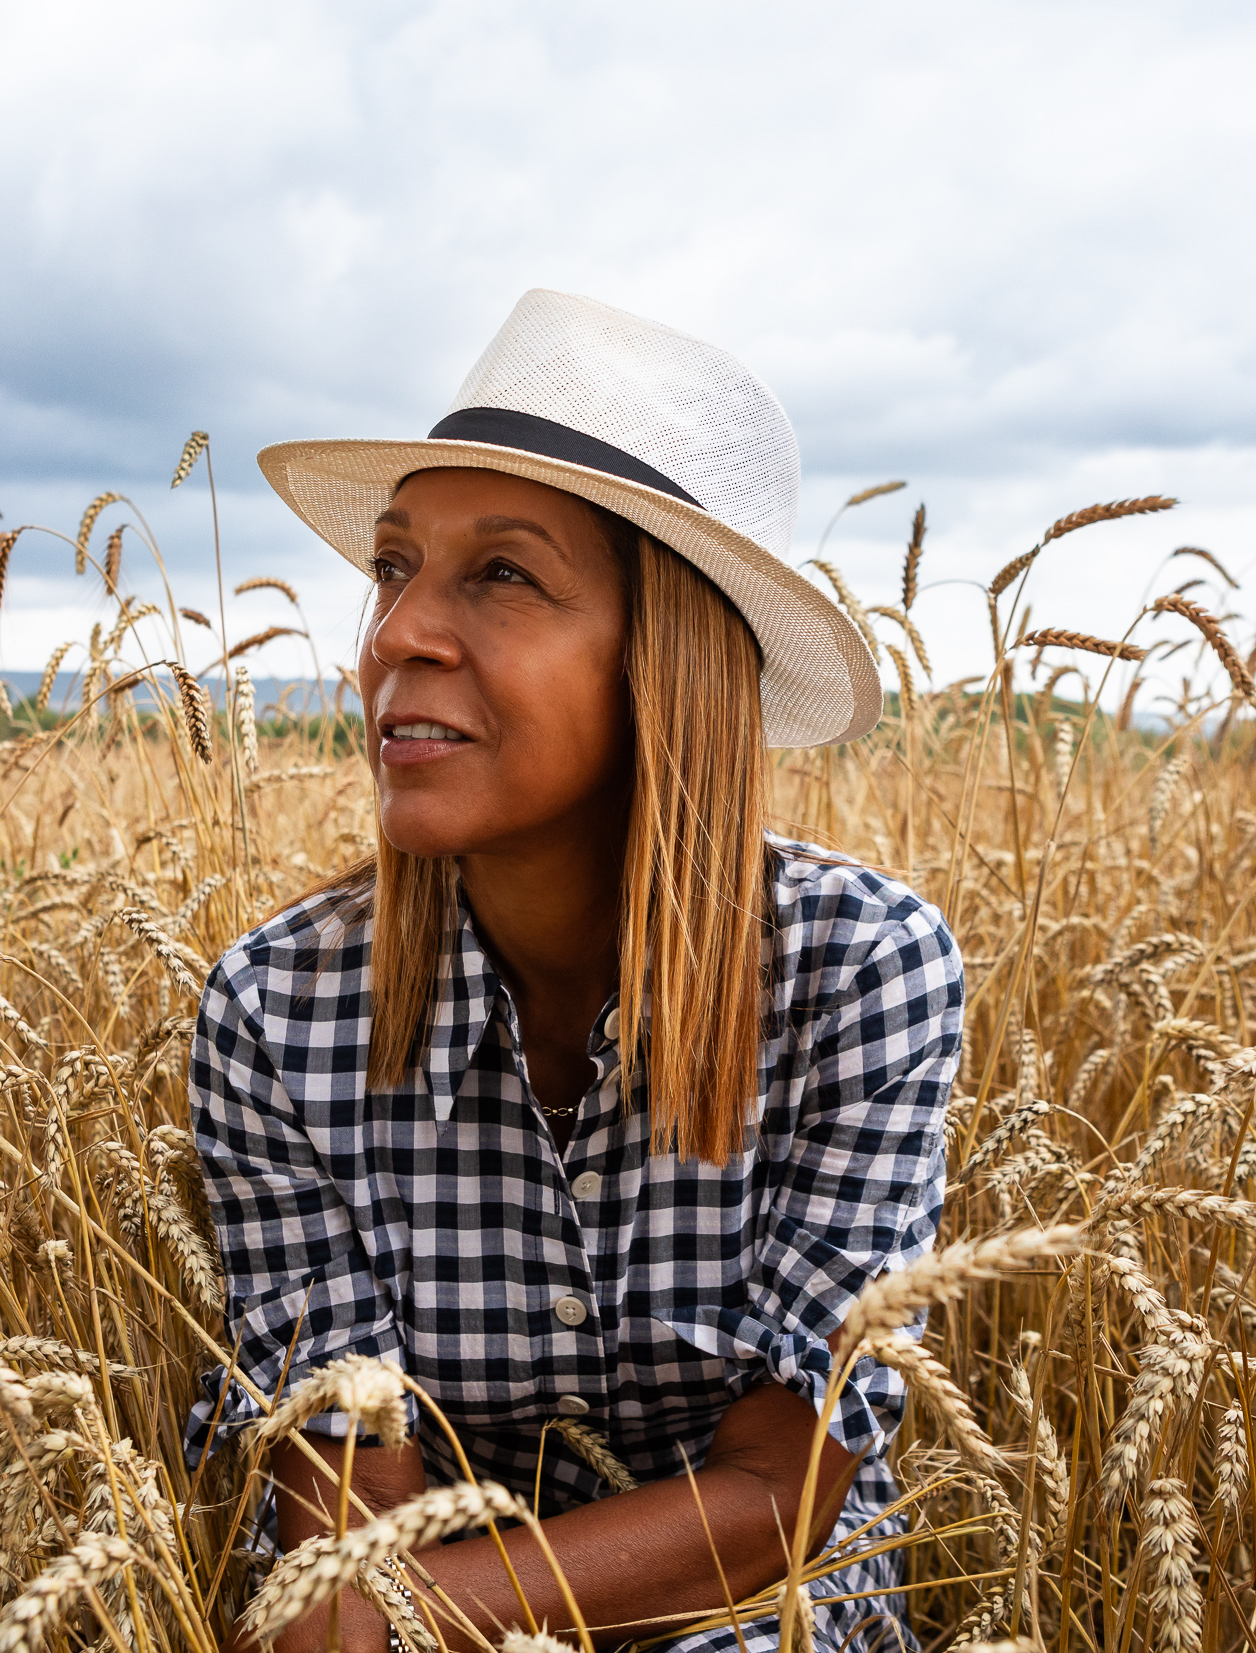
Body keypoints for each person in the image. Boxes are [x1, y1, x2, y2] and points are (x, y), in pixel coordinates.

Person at [191, 290, 962, 1651]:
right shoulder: (277, 1015)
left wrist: (400, 1619)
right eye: (393, 567)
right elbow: (344, 1520)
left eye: (502, 573)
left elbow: (778, 1501)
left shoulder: (859, 972)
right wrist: (367, 1614)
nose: (397, 634)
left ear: (664, 657)